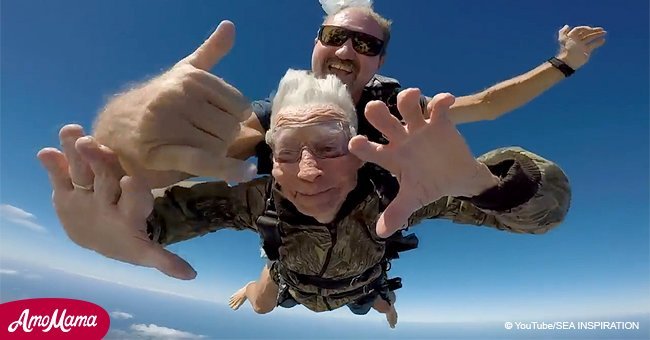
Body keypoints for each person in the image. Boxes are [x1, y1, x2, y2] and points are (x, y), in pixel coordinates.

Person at [38, 69, 571, 327]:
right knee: (266, 303)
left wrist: (488, 186)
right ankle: (259, 285)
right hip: (294, 281)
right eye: (288, 152)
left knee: (375, 302)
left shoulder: (399, 195)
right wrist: (106, 223)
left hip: (360, 281)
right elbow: (157, 217)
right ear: (269, 156)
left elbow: (539, 216)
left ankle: (382, 300)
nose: (310, 171)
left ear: (361, 150)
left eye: (329, 147)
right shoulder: (255, 200)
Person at [87, 2, 605, 192]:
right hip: (296, 220)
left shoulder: (398, 111)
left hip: (379, 213)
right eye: (334, 37)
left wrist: (563, 63)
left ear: (379, 60)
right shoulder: (275, 116)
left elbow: (488, 103)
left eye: (365, 43)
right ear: (316, 44)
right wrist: (137, 152)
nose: (346, 49)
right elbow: (208, 154)